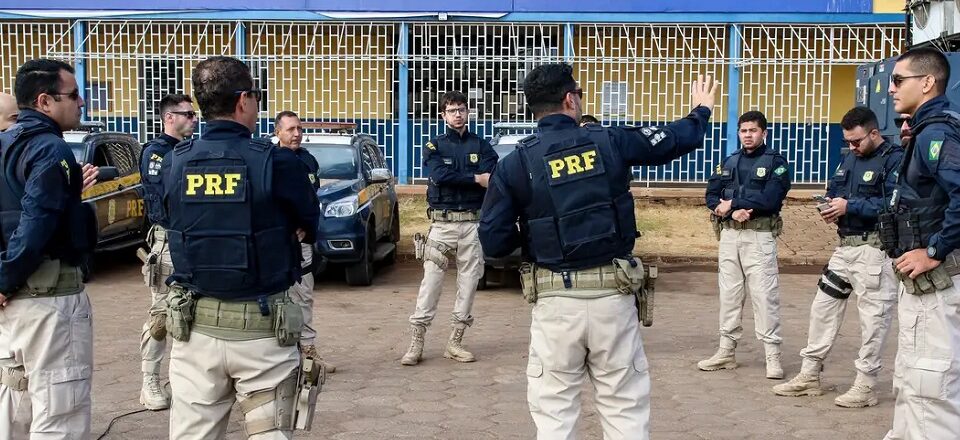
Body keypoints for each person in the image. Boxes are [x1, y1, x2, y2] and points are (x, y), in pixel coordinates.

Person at [479, 63, 717, 439]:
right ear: (570, 99)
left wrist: (535, 230)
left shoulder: (515, 164)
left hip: (555, 303)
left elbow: (493, 241)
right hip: (613, 298)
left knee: (555, 414)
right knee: (624, 408)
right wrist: (700, 110)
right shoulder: (609, 141)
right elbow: (675, 140)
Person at [163, 56, 320, 439]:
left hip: (194, 330)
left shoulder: (174, 162)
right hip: (263, 332)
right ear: (243, 100)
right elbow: (310, 224)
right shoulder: (277, 163)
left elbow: (168, 218)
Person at [772, 106, 901, 407]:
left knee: (873, 320)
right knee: (822, 309)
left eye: (857, 141)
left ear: (874, 132)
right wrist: (831, 205)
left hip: (874, 251)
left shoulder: (894, 160)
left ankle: (865, 385)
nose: (853, 147)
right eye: (848, 142)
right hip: (844, 249)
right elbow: (836, 189)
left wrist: (850, 206)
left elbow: (893, 207)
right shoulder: (849, 158)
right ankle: (809, 375)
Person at [0, 59, 99, 439]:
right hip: (49, 302)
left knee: (15, 402)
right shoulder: (48, 149)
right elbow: (35, 222)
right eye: (73, 95)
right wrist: (5, 279)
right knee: (61, 411)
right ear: (44, 101)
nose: (82, 103)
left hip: (17, 305)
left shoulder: (7, 144)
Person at [881, 47, 960, 440]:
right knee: (910, 383)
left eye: (898, 80)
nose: (891, 89)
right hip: (922, 287)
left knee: (932, 391)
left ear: (927, 82)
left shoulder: (937, 132)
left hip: (937, 283)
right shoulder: (925, 128)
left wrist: (935, 250)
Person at [400, 91, 497, 366]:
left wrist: (474, 179)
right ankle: (416, 342)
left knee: (469, 283)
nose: (457, 114)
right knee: (430, 283)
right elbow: (439, 176)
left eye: (461, 109)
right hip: (442, 224)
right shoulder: (434, 146)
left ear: (468, 113)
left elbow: (493, 176)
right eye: (452, 110)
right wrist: (476, 178)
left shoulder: (482, 145)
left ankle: (455, 342)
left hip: (472, 223)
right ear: (443, 115)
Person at [700, 110, 791, 379]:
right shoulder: (729, 162)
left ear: (764, 132)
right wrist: (728, 210)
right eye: (743, 130)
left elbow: (771, 199)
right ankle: (726, 351)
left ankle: (772, 356)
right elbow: (711, 195)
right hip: (730, 235)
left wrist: (736, 202)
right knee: (729, 295)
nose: (748, 135)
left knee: (765, 296)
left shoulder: (777, 163)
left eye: (753, 130)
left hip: (758, 237)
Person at [137, 93, 196, 411]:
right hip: (168, 239)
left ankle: (184, 380)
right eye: (187, 114)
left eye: (194, 113)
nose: (193, 118)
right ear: (169, 117)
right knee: (161, 315)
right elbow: (162, 199)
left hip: (194, 240)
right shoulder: (157, 152)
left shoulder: (190, 150)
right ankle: (150, 382)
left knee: (192, 314)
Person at [274, 110, 336, 373]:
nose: (296, 133)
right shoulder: (270, 159)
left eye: (299, 128)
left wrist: (307, 228)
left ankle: (308, 353)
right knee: (279, 298)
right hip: (277, 242)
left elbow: (312, 198)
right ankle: (282, 355)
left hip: (303, 242)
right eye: (290, 129)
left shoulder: (308, 160)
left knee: (305, 295)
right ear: (278, 132)